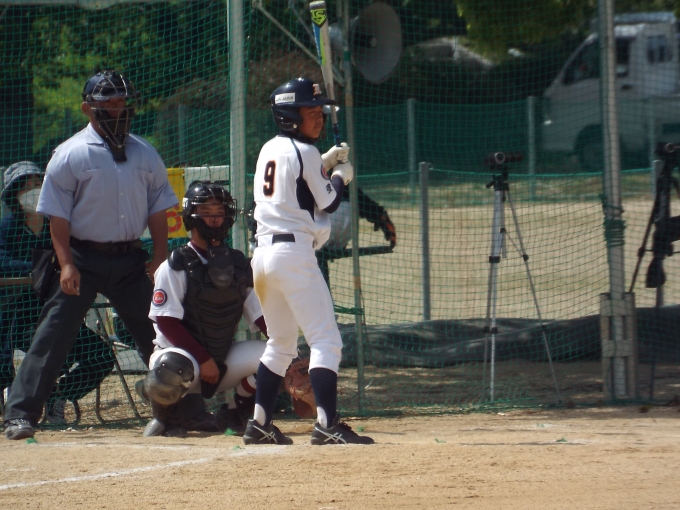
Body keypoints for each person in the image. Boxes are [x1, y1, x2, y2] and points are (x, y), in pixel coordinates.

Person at [3, 69, 178, 440]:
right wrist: (66, 263)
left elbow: (158, 208)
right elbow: (57, 217)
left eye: (122, 102)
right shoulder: (70, 154)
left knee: (159, 332)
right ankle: (20, 415)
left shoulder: (144, 151)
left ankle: (184, 411)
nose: (117, 109)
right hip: (82, 258)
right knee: (52, 335)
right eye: (108, 103)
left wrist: (160, 255)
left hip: (131, 259)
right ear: (88, 108)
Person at [246, 77, 374, 445]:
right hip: (293, 256)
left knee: (280, 344)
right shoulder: (305, 152)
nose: (319, 117)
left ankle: (259, 424)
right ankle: (327, 425)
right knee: (326, 342)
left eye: (320, 111)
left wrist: (325, 162)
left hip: (264, 257)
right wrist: (340, 176)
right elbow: (329, 201)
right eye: (311, 111)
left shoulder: (269, 149)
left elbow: (297, 181)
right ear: (289, 116)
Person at [142, 181, 268, 437]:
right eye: (206, 212)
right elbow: (166, 322)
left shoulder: (238, 264)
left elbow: (261, 317)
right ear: (191, 216)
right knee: (171, 364)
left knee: (280, 356)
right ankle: (166, 418)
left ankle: (234, 411)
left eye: (219, 212)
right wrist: (203, 359)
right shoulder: (174, 265)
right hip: (182, 362)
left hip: (221, 361)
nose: (214, 219)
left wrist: (291, 352)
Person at [0, 162, 116, 424]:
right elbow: (2, 262)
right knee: (52, 351)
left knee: (101, 356)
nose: (34, 191)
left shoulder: (59, 224)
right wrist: (47, 266)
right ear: (14, 195)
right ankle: (22, 397)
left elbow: (80, 255)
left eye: (37, 184)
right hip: (19, 317)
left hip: (60, 311)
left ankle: (58, 395)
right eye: (26, 187)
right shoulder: (7, 227)